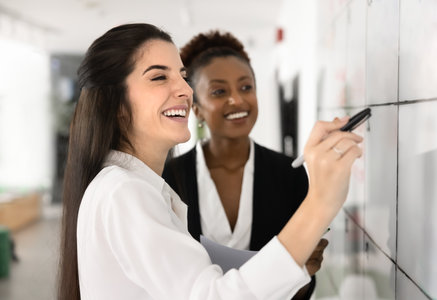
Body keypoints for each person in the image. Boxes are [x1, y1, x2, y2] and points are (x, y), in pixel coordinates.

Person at [58, 23, 363, 300]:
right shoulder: (124, 193)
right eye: (159, 76)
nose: (185, 90)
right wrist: (322, 200)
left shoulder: (130, 187)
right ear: (117, 104)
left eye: (183, 76)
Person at [162, 31, 323, 298]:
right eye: (219, 91)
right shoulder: (171, 177)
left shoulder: (289, 173)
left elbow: (303, 291)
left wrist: (304, 269)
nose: (236, 100)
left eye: (245, 87)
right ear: (197, 109)